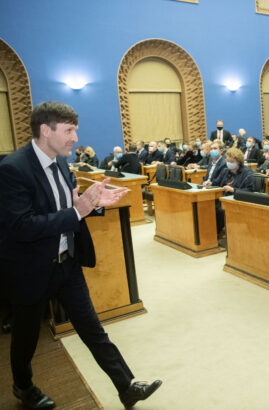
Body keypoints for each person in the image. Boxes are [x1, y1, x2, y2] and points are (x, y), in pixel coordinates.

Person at [0, 101, 161, 409]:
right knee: (25, 337)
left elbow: (69, 206)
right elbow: (21, 226)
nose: (75, 138)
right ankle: (23, 387)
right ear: (46, 131)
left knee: (92, 329)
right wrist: (78, 209)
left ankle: (125, 386)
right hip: (31, 268)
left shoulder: (61, 163)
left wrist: (95, 203)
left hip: (67, 263)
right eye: (69, 130)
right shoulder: (12, 169)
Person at [216, 147, 255, 234]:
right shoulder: (226, 171)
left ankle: (219, 233)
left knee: (220, 210)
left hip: (238, 200)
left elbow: (250, 191)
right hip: (225, 198)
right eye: (228, 161)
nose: (229, 164)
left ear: (238, 161)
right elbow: (218, 184)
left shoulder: (247, 173)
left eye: (231, 162)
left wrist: (233, 189)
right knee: (209, 206)